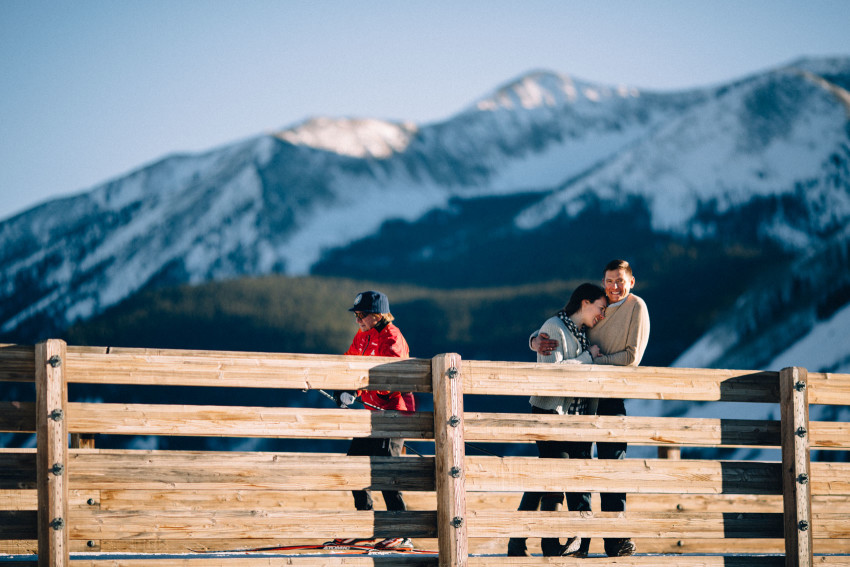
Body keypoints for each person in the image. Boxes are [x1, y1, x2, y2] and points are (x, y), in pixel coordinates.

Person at [530, 259, 650, 558]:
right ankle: (579, 541)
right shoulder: (597, 307)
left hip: (609, 398)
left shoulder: (636, 308)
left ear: (631, 282)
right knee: (577, 470)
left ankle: (615, 540)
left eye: (620, 280)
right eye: (610, 280)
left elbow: (632, 357)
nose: (614, 286)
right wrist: (534, 340)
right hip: (580, 403)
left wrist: (592, 361)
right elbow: (561, 326)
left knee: (612, 468)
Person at [507, 283, 608, 558]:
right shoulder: (553, 328)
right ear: (585, 302)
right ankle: (547, 545)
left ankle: (518, 542)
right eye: (600, 308)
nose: (601, 314)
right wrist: (589, 357)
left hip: (572, 417)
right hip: (549, 413)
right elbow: (554, 375)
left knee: (546, 476)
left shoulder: (580, 330)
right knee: (554, 475)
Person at [331, 290, 416, 551]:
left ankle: (401, 533)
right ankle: (366, 527)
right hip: (372, 414)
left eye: (362, 314)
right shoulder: (363, 336)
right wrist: (346, 389)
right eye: (356, 315)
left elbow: (392, 378)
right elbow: (350, 362)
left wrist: (362, 389)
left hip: (394, 414)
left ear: (378, 314)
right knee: (354, 465)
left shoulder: (392, 338)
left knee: (386, 471)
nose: (358, 319)